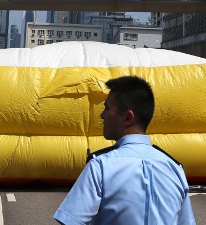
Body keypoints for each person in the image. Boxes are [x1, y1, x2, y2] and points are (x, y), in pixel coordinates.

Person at [54, 76, 195, 225]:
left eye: (107, 108)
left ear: (127, 117)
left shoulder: (100, 166)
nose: (102, 115)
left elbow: (71, 220)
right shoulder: (175, 169)